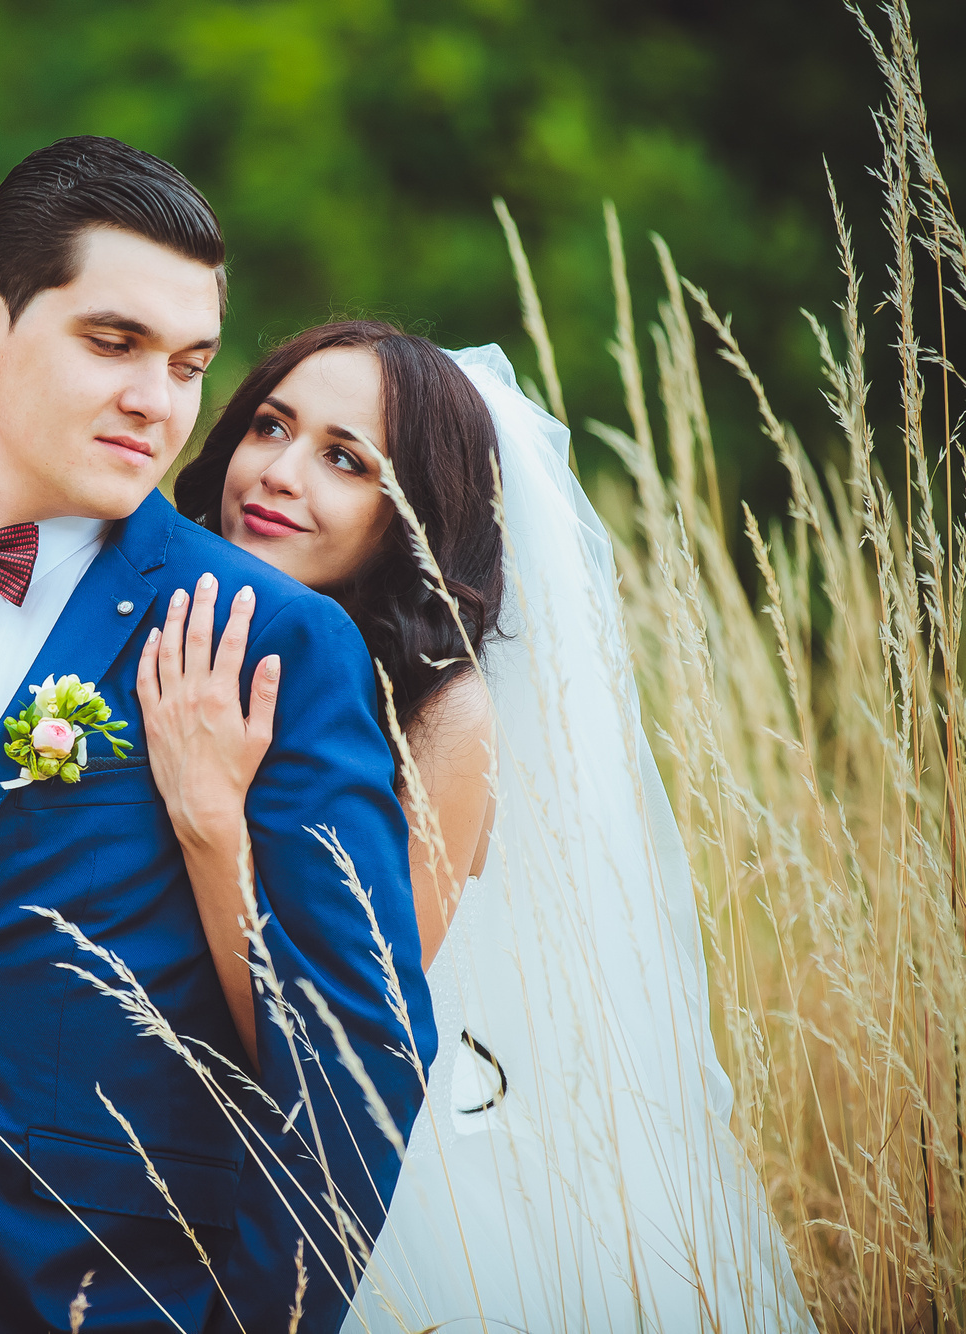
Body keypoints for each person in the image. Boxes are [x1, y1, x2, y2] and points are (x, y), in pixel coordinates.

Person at [0, 140, 435, 1334]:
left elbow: (361, 1064)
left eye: (188, 363)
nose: (157, 401)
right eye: (113, 343)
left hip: (82, 1296)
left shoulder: (267, 637)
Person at [145, 322, 817, 1329]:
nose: (278, 473)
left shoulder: (446, 714)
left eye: (343, 458)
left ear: (411, 511)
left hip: (347, 1184)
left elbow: (338, 1049)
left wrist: (209, 824)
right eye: (269, 426)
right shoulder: (169, 618)